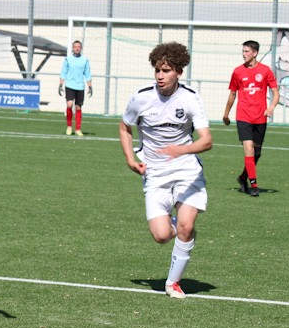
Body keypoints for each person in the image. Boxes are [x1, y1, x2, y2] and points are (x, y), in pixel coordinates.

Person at [118, 42, 212, 299]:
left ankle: (173, 283)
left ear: (178, 72)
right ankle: (178, 225)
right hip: (155, 174)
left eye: (166, 70)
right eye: (157, 70)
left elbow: (207, 140)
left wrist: (180, 151)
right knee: (161, 236)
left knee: (186, 225)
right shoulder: (141, 98)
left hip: (186, 171)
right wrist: (130, 159)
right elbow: (124, 127)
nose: (160, 76)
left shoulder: (190, 98)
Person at [222, 40, 279, 197]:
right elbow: (233, 94)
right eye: (243, 51)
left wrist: (271, 107)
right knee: (249, 149)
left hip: (260, 117)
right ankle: (254, 185)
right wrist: (226, 114)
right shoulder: (238, 72)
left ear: (255, 53)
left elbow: (276, 93)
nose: (244, 54)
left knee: (257, 153)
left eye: (247, 51)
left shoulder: (266, 71)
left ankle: (243, 177)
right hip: (243, 116)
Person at [58, 40, 93, 136]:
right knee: (69, 105)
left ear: (81, 48)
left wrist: (90, 87)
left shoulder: (85, 60)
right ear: (73, 48)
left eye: (78, 47)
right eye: (75, 47)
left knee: (78, 107)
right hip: (69, 85)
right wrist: (60, 85)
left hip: (80, 87)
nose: (77, 48)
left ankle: (78, 129)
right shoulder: (67, 59)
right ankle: (69, 126)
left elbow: (87, 74)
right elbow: (63, 72)